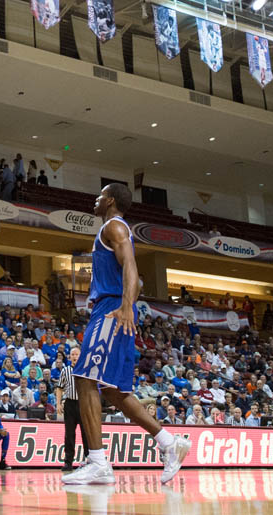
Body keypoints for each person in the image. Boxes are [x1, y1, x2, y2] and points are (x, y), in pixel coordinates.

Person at [63, 184, 190, 486]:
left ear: (109, 200)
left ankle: (98, 463)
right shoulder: (113, 228)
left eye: (99, 195)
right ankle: (168, 443)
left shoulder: (114, 226)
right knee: (113, 390)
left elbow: (131, 265)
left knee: (85, 379)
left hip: (111, 308)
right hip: (112, 307)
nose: (94, 199)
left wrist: (126, 305)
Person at [56, 347, 89, 472]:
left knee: (86, 434)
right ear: (69, 357)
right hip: (70, 404)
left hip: (83, 403)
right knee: (69, 434)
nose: (75, 356)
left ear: (80, 356)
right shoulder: (65, 370)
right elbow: (59, 388)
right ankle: (68, 462)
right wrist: (58, 403)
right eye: (72, 354)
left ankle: (89, 460)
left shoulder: (86, 370)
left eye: (77, 354)